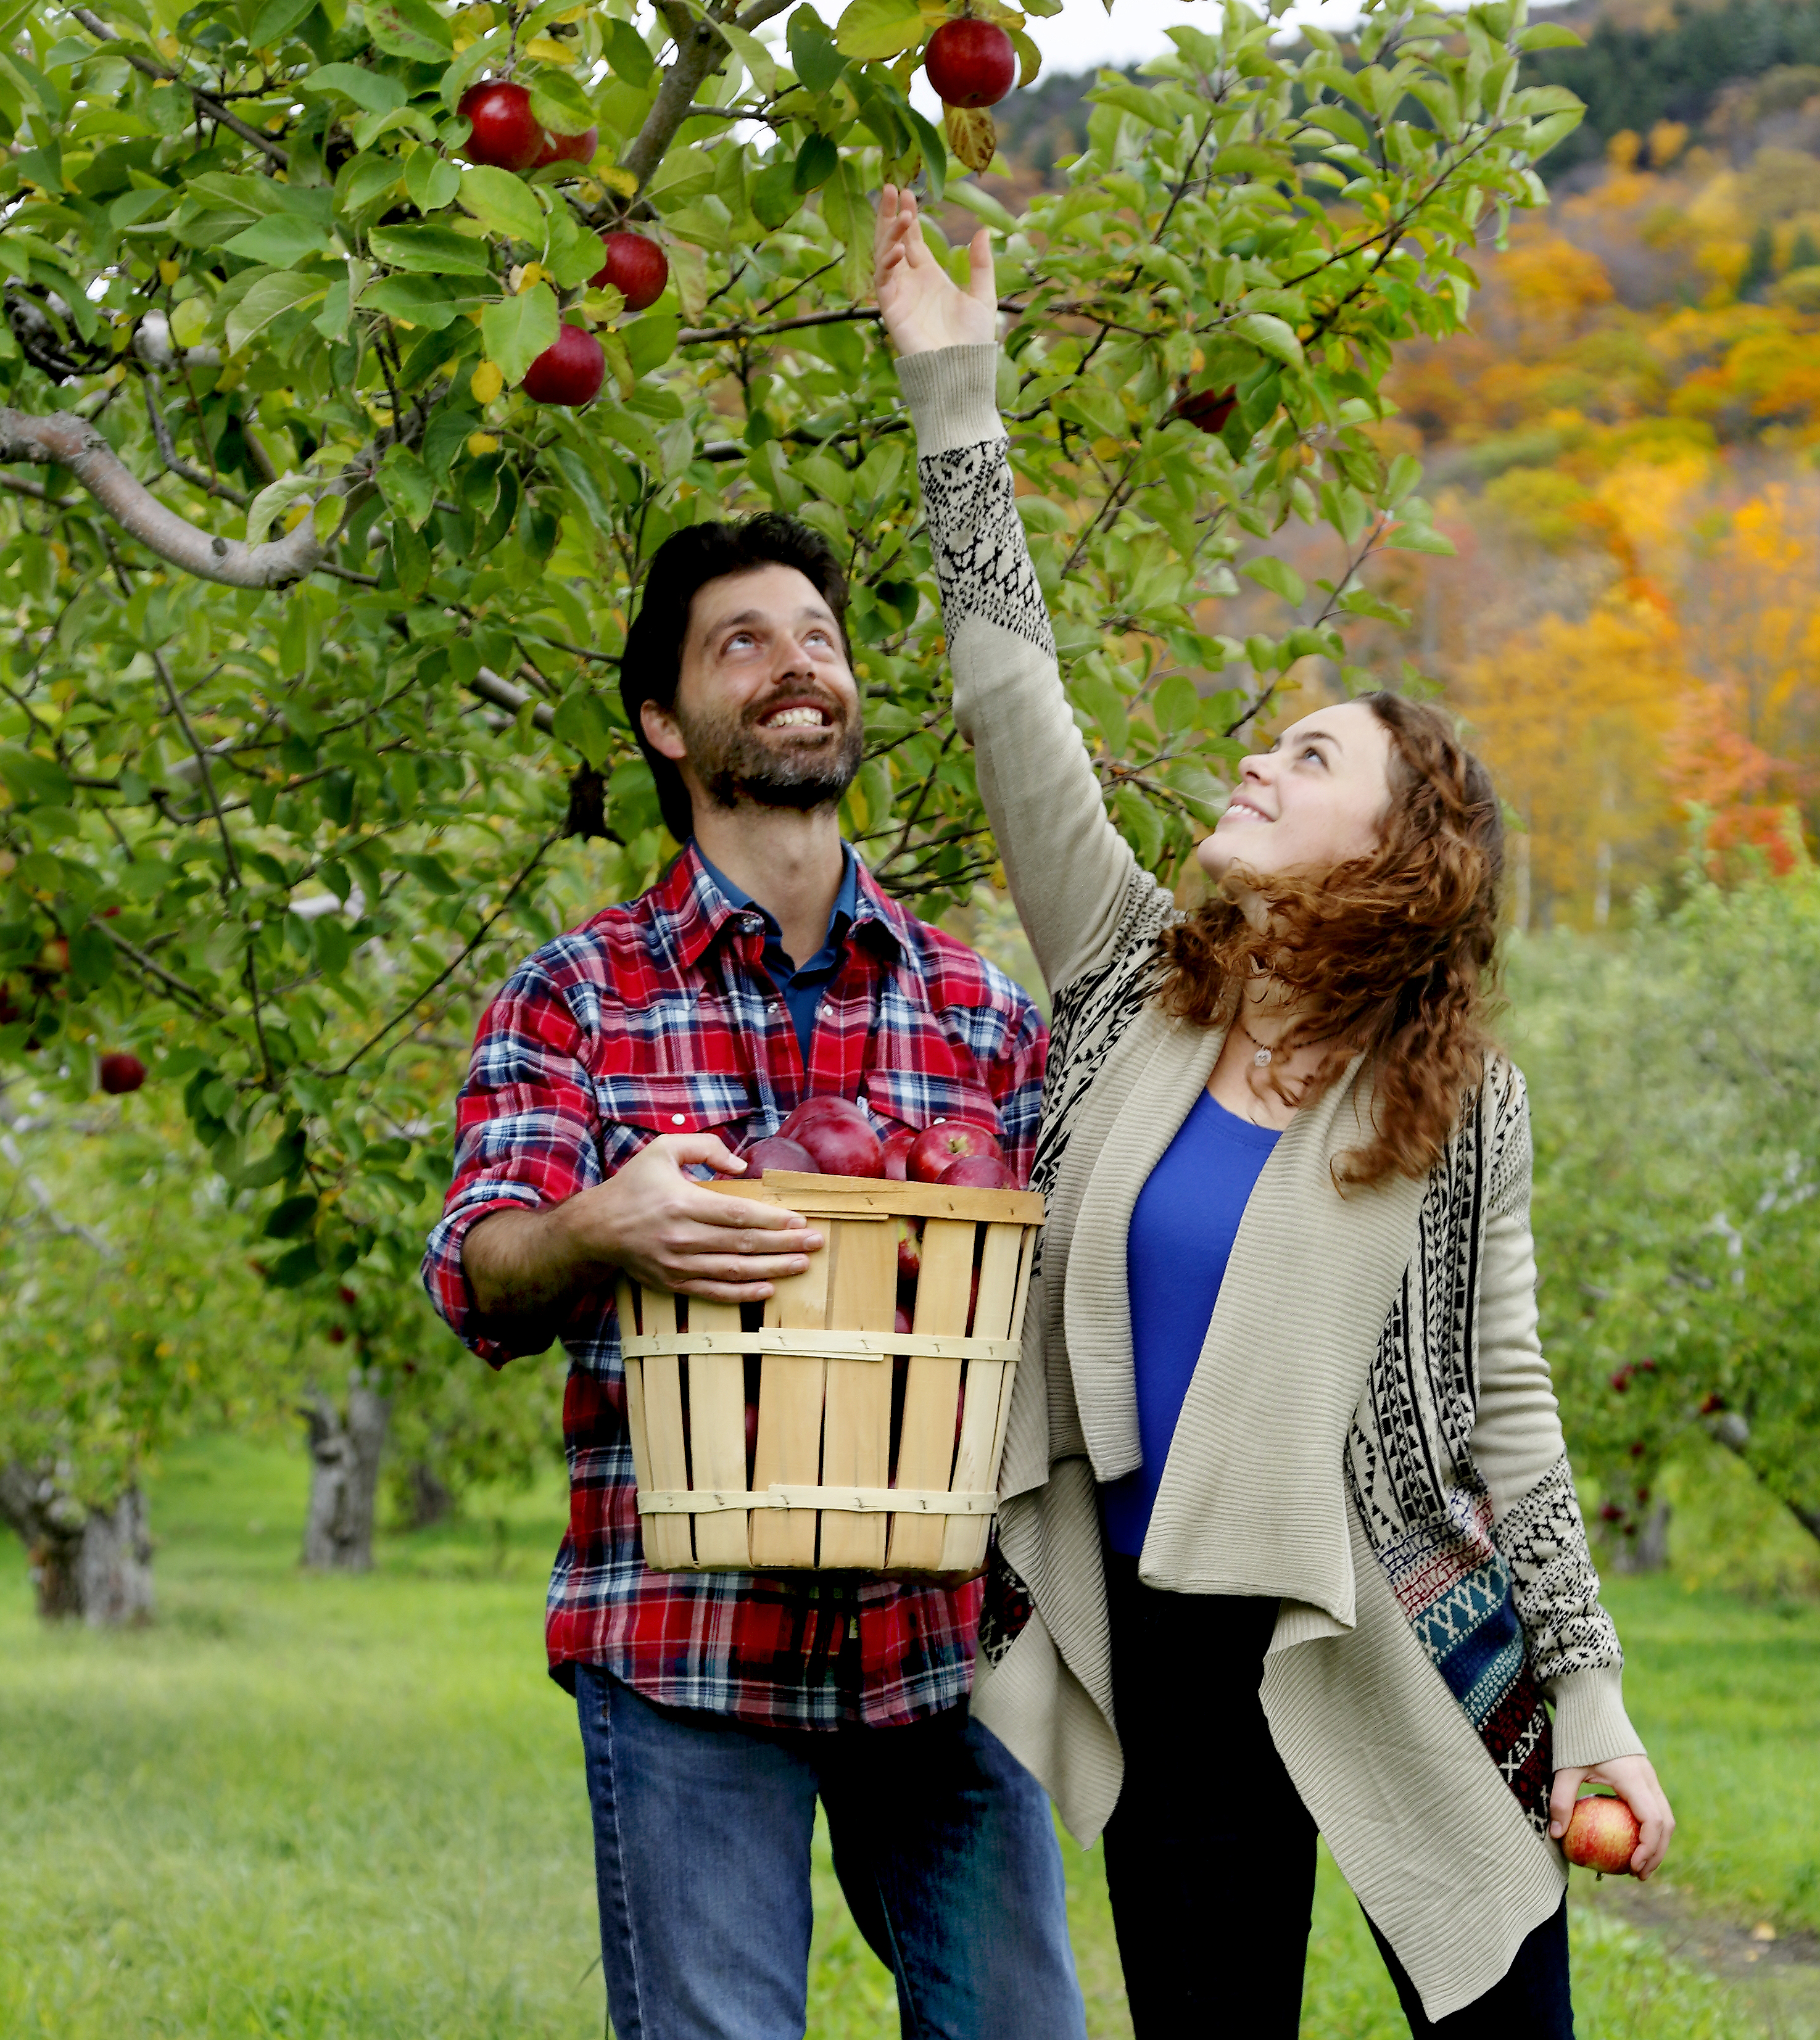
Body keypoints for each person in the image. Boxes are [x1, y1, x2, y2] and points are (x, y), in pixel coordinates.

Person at [872, 189, 1677, 2037]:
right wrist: (956, 401)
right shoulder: (1125, 985)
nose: (1257, 750)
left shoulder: (1453, 1101)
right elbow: (1012, 701)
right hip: (1168, 1633)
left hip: (1408, 1617)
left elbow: (1506, 1406)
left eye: (1308, 755)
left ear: (1395, 856)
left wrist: (1595, 1692)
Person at [419, 511, 1087, 2040]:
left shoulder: (981, 1010)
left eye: (822, 639)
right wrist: (601, 1225)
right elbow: (476, 1276)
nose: (799, 666)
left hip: (940, 1648)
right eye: (745, 642)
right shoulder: (573, 997)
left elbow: (1048, 1316)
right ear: (663, 721)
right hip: (687, 1644)